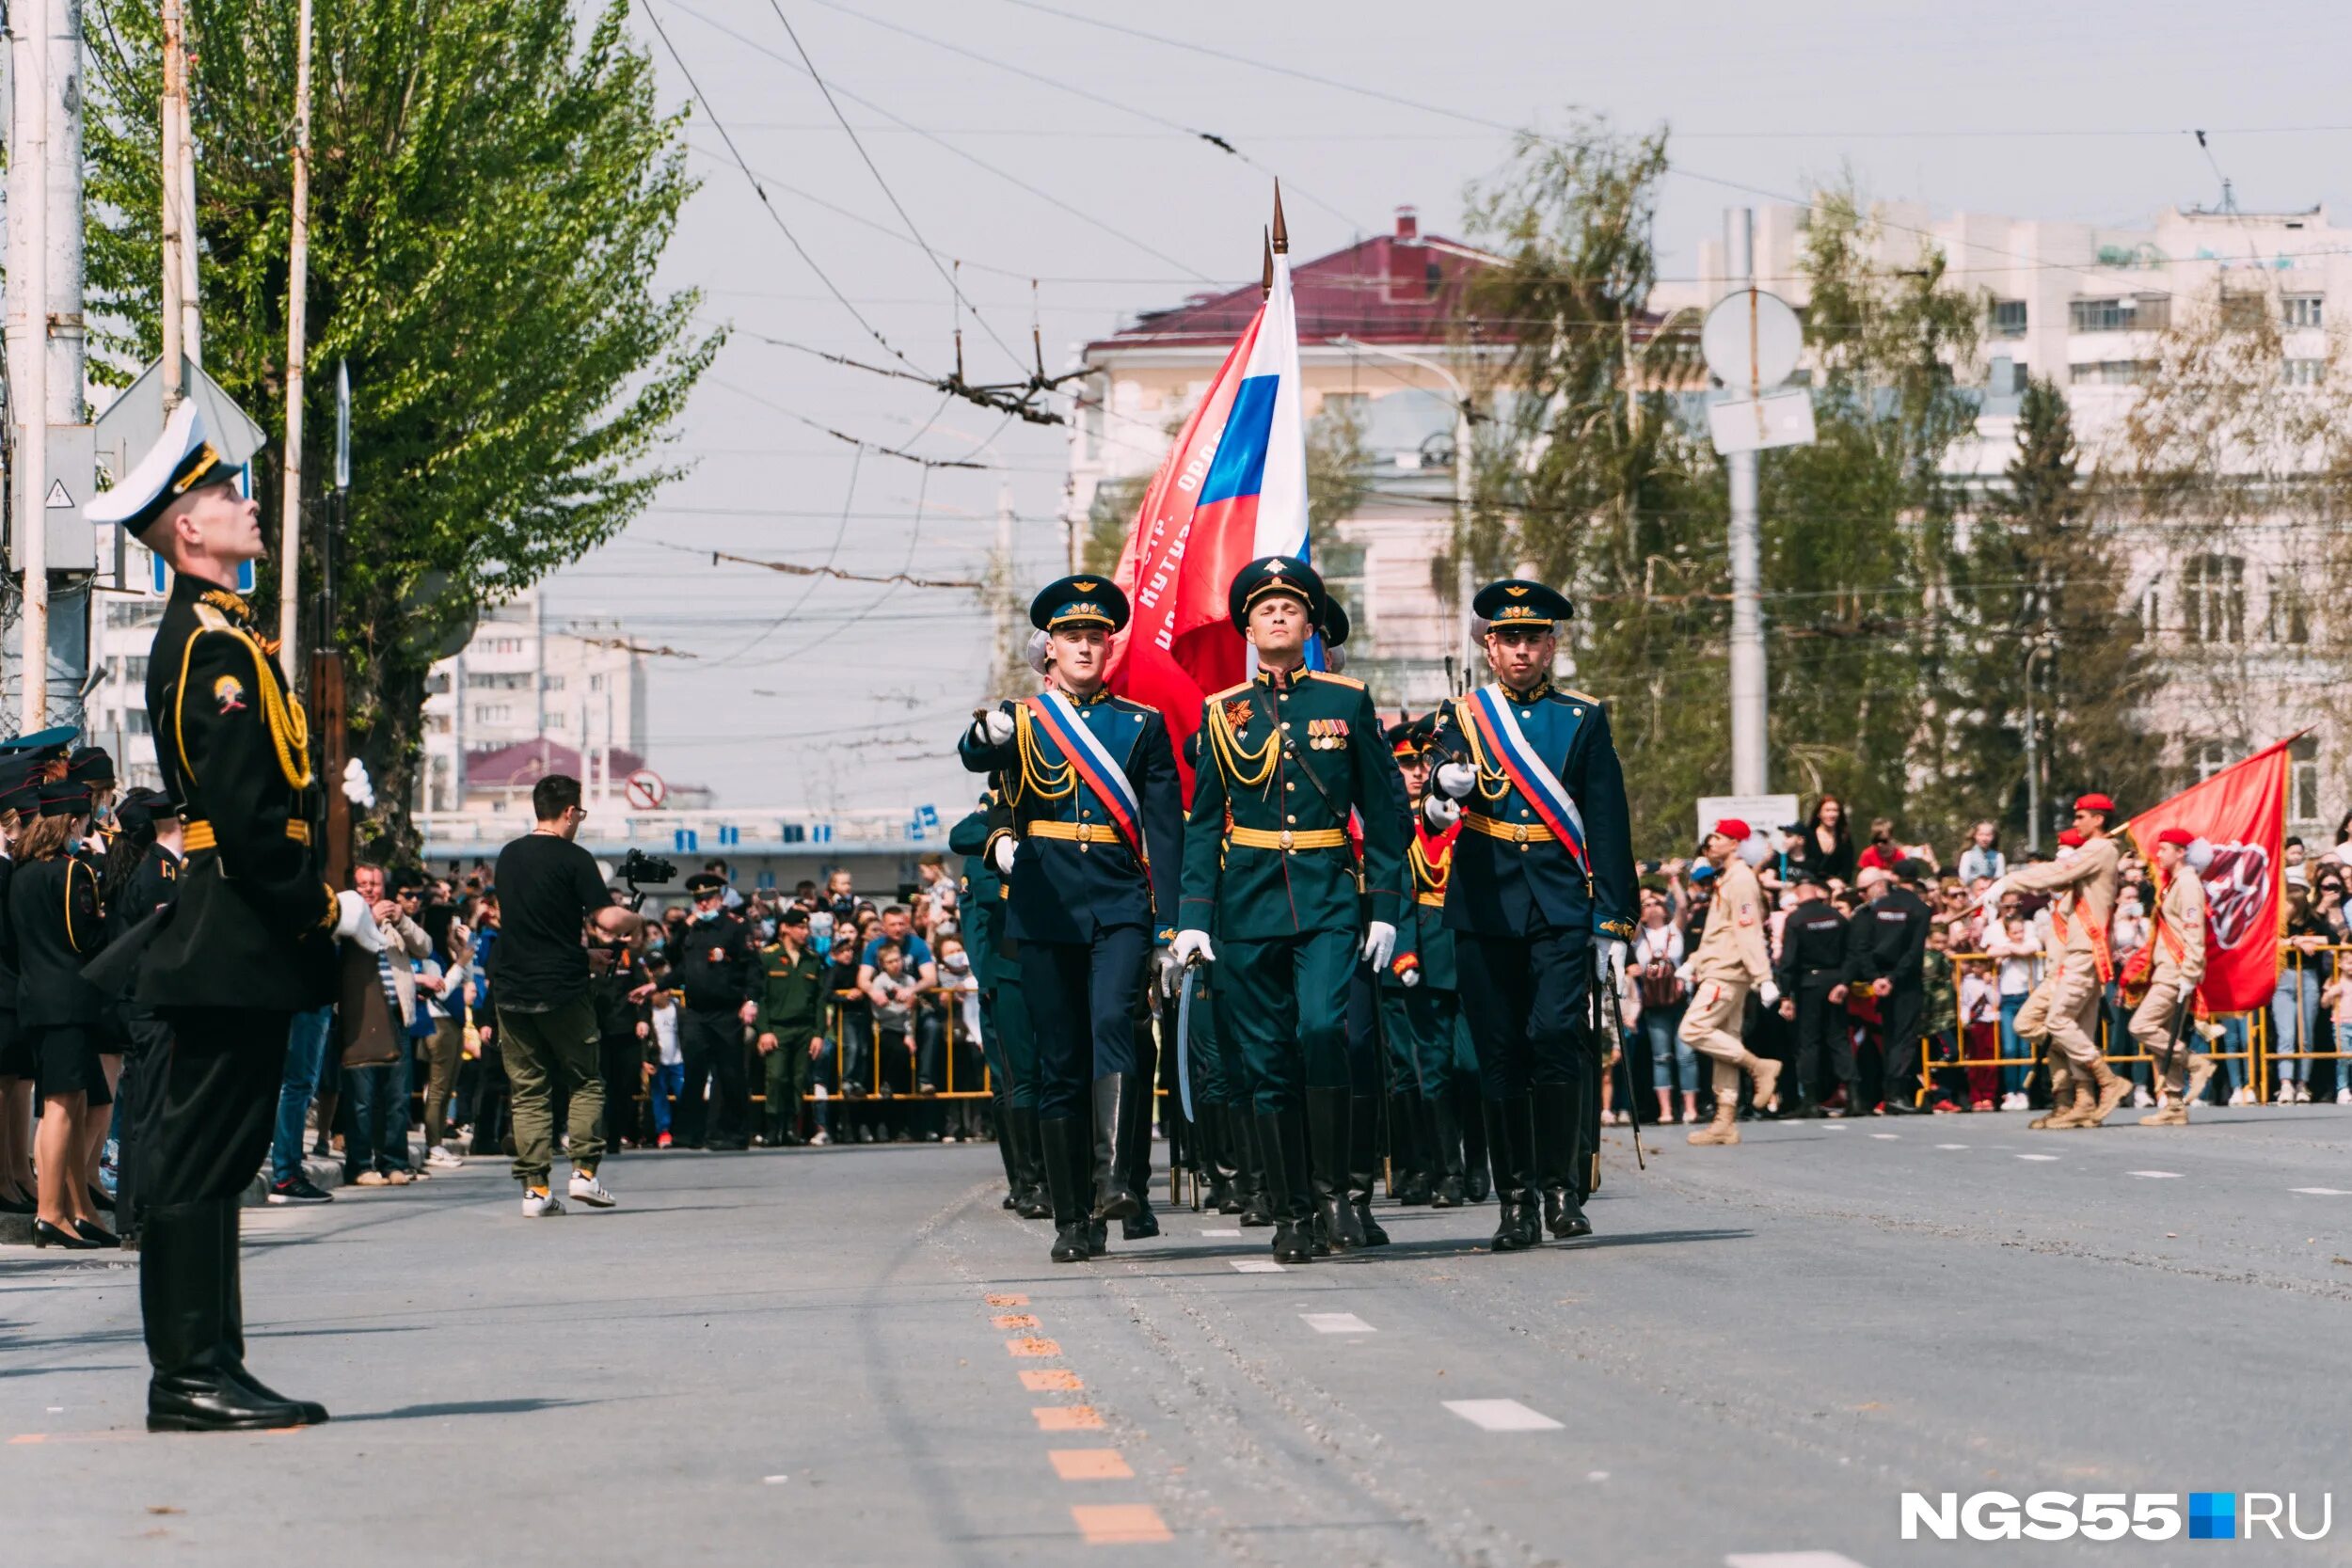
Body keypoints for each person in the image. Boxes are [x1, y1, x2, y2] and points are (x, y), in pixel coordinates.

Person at [83, 401, 383, 1429]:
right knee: (197, 1161)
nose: (244, 505)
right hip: (229, 933)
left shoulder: (227, 635)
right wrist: (327, 906)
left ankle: (216, 1362)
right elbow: (253, 821)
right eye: (222, 496)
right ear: (187, 531)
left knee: (215, 1160)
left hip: (235, 935)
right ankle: (189, 1374)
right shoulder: (211, 651)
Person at [1172, 559, 1401, 1263]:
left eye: (1291, 608)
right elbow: (1205, 821)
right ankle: (1291, 1210)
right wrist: (1193, 917)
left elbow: (1387, 811)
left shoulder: (1347, 699)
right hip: (1247, 902)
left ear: (1309, 625)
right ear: (1247, 625)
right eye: (1264, 608)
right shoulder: (1222, 711)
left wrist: (1386, 905)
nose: (1277, 616)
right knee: (1267, 1061)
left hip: (1329, 895)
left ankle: (1337, 1193)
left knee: (1324, 1028)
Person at [961, 573, 1181, 1264]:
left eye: (1096, 636)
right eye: (1072, 636)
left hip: (1118, 902)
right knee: (1059, 1062)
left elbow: (1165, 832)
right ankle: (1071, 1214)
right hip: (1045, 904)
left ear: (1109, 646)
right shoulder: (1022, 720)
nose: (1086, 646)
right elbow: (975, 757)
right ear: (1048, 647)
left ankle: (1116, 1177)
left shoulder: (1140, 724)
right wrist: (984, 731)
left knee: (1116, 1023)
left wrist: (1172, 927)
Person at [1425, 578, 1635, 1241]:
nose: (1520, 650)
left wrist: (1614, 920)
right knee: (1498, 1052)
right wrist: (1442, 790)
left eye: (1532, 638)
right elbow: (1437, 793)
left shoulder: (1583, 717)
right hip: (1485, 901)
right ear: (1490, 648)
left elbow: (1608, 822)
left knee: (1554, 1039)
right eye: (1507, 638)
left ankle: (1560, 1188)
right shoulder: (1461, 714)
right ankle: (1514, 1198)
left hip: (1558, 900)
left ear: (1552, 646)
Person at [488, 773, 644, 1213]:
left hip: (512, 986)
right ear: (570, 812)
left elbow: (535, 926)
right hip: (561, 989)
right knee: (585, 1079)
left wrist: (583, 955)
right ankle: (584, 1173)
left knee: (529, 1089)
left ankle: (535, 1190)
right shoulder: (574, 858)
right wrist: (636, 922)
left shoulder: (508, 856)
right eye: (581, 813)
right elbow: (608, 921)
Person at [1979, 795, 2129, 1129]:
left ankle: (2104, 1083)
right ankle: (2076, 1100)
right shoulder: (2079, 874)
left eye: (2080, 817)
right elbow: (2058, 875)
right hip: (2067, 963)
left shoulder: (2101, 850)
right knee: (2045, 1026)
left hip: (2083, 954)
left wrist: (2008, 881)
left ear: (2098, 820)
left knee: (2060, 1023)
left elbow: (2057, 872)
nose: (2075, 823)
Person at [16, 776, 117, 1247]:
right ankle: (50, 1211)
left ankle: (79, 1209)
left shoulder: (21, 872)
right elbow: (84, 939)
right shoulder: (72, 871)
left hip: (37, 996)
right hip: (67, 1001)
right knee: (59, 1108)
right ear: (72, 822)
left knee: (71, 1104)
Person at [1380, 714, 1467, 1207]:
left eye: (1424, 761)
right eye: (1407, 763)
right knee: (1403, 1072)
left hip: (1447, 951)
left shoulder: (1451, 814)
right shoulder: (1385, 823)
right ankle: (1416, 1166)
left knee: (1451, 1066)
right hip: (1397, 952)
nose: (1417, 771)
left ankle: (1459, 1167)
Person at [101, 784, 183, 1239]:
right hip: (149, 1005)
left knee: (141, 1110)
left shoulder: (160, 870)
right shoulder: (159, 876)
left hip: (143, 1004)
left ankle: (135, 1210)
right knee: (148, 1112)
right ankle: (143, 1209)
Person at [1677, 820, 1780, 1146]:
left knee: (1692, 1029)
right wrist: (1693, 962)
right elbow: (1718, 929)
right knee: (1725, 1045)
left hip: (1726, 972)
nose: (1711, 843)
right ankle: (1725, 1120)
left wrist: (1764, 977)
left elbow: (1748, 929)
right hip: (1720, 967)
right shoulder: (1729, 879)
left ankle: (1759, 1067)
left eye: (1718, 838)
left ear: (1735, 843)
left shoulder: (1742, 880)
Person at [670, 870, 758, 1151]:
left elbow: (752, 966)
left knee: (730, 1073)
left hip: (725, 1010)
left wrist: (751, 1000)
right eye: (699, 899)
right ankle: (690, 1134)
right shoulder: (693, 928)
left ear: (719, 897)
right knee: (694, 1072)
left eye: (707, 898)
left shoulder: (735, 926)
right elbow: (675, 958)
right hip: (696, 1011)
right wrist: (684, 927)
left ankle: (732, 1133)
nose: (703, 904)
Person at [2132, 828, 2212, 1125]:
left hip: (2176, 969)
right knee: (2164, 1036)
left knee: (2142, 1026)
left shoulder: (2188, 884)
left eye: (2164, 848)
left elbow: (2194, 931)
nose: (2158, 853)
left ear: (2181, 852)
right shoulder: (2174, 883)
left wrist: (2190, 971)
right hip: (2166, 967)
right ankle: (2175, 1104)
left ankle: (2194, 1063)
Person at [1849, 860, 1934, 1115]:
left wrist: (1877, 978)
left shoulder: (1867, 913)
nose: (1861, 897)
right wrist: (1891, 978)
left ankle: (1892, 1093)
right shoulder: (1917, 908)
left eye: (1863, 891)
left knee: (1890, 1038)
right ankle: (1895, 1093)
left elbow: (1861, 949)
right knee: (1903, 1039)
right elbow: (1914, 952)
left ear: (1878, 885)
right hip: (1903, 980)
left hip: (1883, 982)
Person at [1772, 870, 1854, 1117]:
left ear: (1797, 895)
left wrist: (1785, 995)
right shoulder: (1837, 917)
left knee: (1809, 1043)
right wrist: (1844, 982)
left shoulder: (1796, 920)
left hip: (1809, 984)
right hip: (1835, 981)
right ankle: (1855, 1097)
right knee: (1839, 1039)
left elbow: (1788, 960)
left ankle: (1809, 1100)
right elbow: (1851, 953)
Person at [753, 906, 826, 1149]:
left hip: (804, 1029)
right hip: (778, 1027)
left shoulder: (812, 959)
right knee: (776, 1077)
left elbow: (819, 1001)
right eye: (800, 927)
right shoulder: (769, 956)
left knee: (797, 1080)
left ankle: (792, 1128)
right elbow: (760, 997)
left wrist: (818, 1034)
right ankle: (773, 1128)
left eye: (806, 927)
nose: (805, 932)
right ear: (785, 928)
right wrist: (764, 1030)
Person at [1957, 821, 2007, 885]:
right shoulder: (1967, 855)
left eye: (1988, 835)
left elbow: (2000, 877)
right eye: (1981, 834)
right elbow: (1964, 878)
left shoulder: (1998, 856)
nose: (1984, 838)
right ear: (1975, 835)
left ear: (1993, 836)